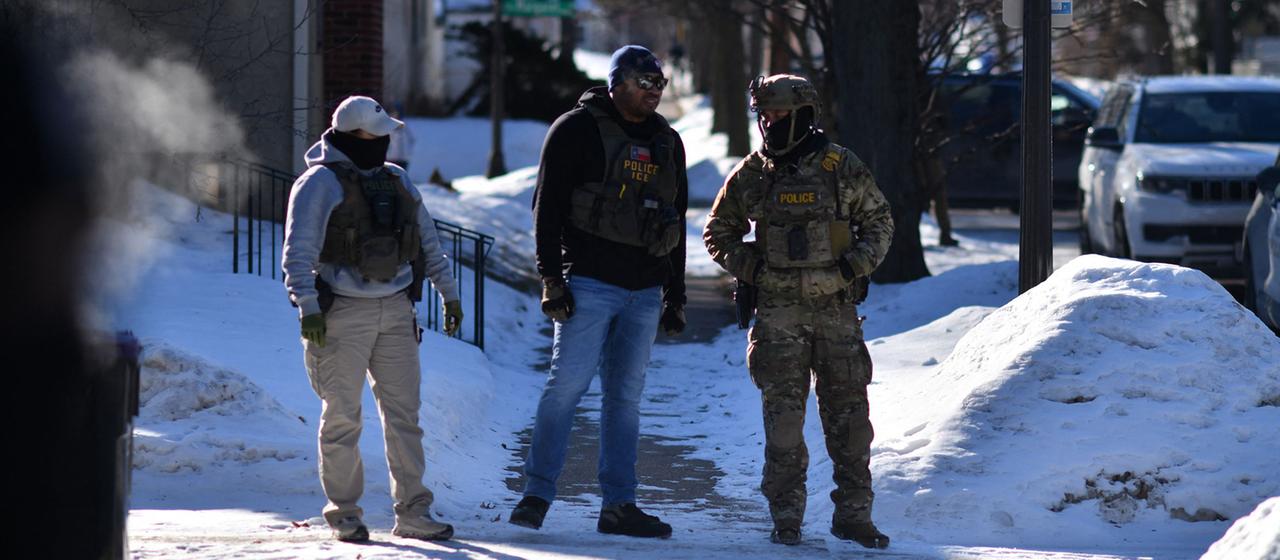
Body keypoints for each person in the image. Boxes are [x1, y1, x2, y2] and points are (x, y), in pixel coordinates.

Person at [703, 74, 895, 548]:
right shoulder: (755, 173)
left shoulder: (841, 167)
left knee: (850, 423)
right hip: (778, 317)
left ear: (804, 115)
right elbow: (717, 231)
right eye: (765, 116)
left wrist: (851, 267)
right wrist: (754, 270)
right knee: (784, 424)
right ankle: (786, 517)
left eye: (779, 115)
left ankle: (854, 516)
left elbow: (880, 222)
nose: (770, 124)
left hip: (836, 314)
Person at [509, 44, 688, 538]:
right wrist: (552, 277)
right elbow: (546, 208)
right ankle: (537, 494)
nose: (654, 92)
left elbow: (678, 220)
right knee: (566, 387)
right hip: (588, 282)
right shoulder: (576, 129)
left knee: (625, 398)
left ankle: (619, 506)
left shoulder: (668, 141)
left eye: (660, 84)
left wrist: (676, 295)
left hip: (645, 289)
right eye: (644, 82)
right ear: (618, 82)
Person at [282, 95, 464, 543]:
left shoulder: (397, 180)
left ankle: (414, 512)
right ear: (353, 136)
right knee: (342, 417)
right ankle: (344, 513)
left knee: (405, 416)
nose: (385, 143)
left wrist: (450, 296)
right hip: (341, 314)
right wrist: (307, 308)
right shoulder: (319, 183)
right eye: (378, 135)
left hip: (398, 312)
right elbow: (297, 252)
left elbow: (428, 242)